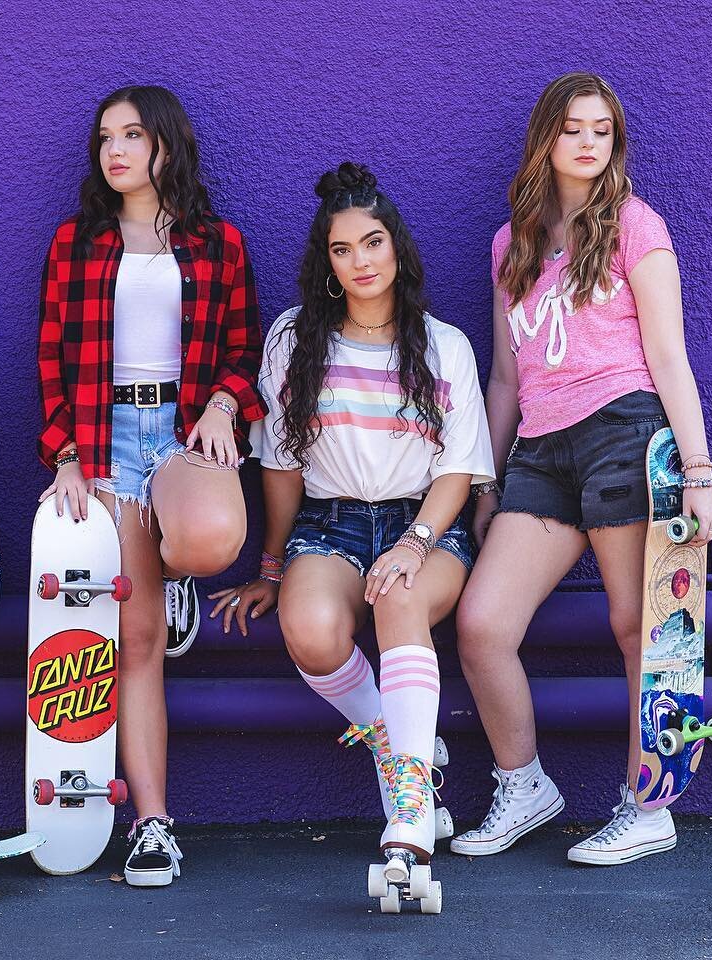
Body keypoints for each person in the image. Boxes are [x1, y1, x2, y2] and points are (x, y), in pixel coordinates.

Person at [451, 73, 712, 865]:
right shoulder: (513, 241)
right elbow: (505, 379)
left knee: (637, 626)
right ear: (547, 136)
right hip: (540, 450)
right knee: (482, 624)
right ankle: (525, 784)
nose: (586, 142)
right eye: (572, 127)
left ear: (614, 143)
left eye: (601, 130)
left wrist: (699, 472)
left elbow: (669, 357)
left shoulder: (636, 226)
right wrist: (487, 479)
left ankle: (651, 805)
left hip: (624, 434)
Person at [209, 163, 494, 897]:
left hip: (424, 525)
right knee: (309, 630)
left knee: (399, 598)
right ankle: (407, 750)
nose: (362, 261)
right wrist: (271, 568)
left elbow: (458, 472)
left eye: (373, 243)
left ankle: (406, 816)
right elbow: (280, 468)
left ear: (396, 247)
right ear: (327, 263)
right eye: (344, 250)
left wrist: (413, 544)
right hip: (328, 526)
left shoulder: (443, 345)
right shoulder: (295, 341)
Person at [36, 85, 264, 886]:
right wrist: (66, 454)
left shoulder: (218, 243)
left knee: (209, 539)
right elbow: (53, 356)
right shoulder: (77, 242)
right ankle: (154, 826)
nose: (116, 150)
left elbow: (244, 350)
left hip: (180, 434)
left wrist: (227, 404)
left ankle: (172, 569)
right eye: (106, 138)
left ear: (167, 144)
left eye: (133, 135)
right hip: (104, 439)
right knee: (134, 647)